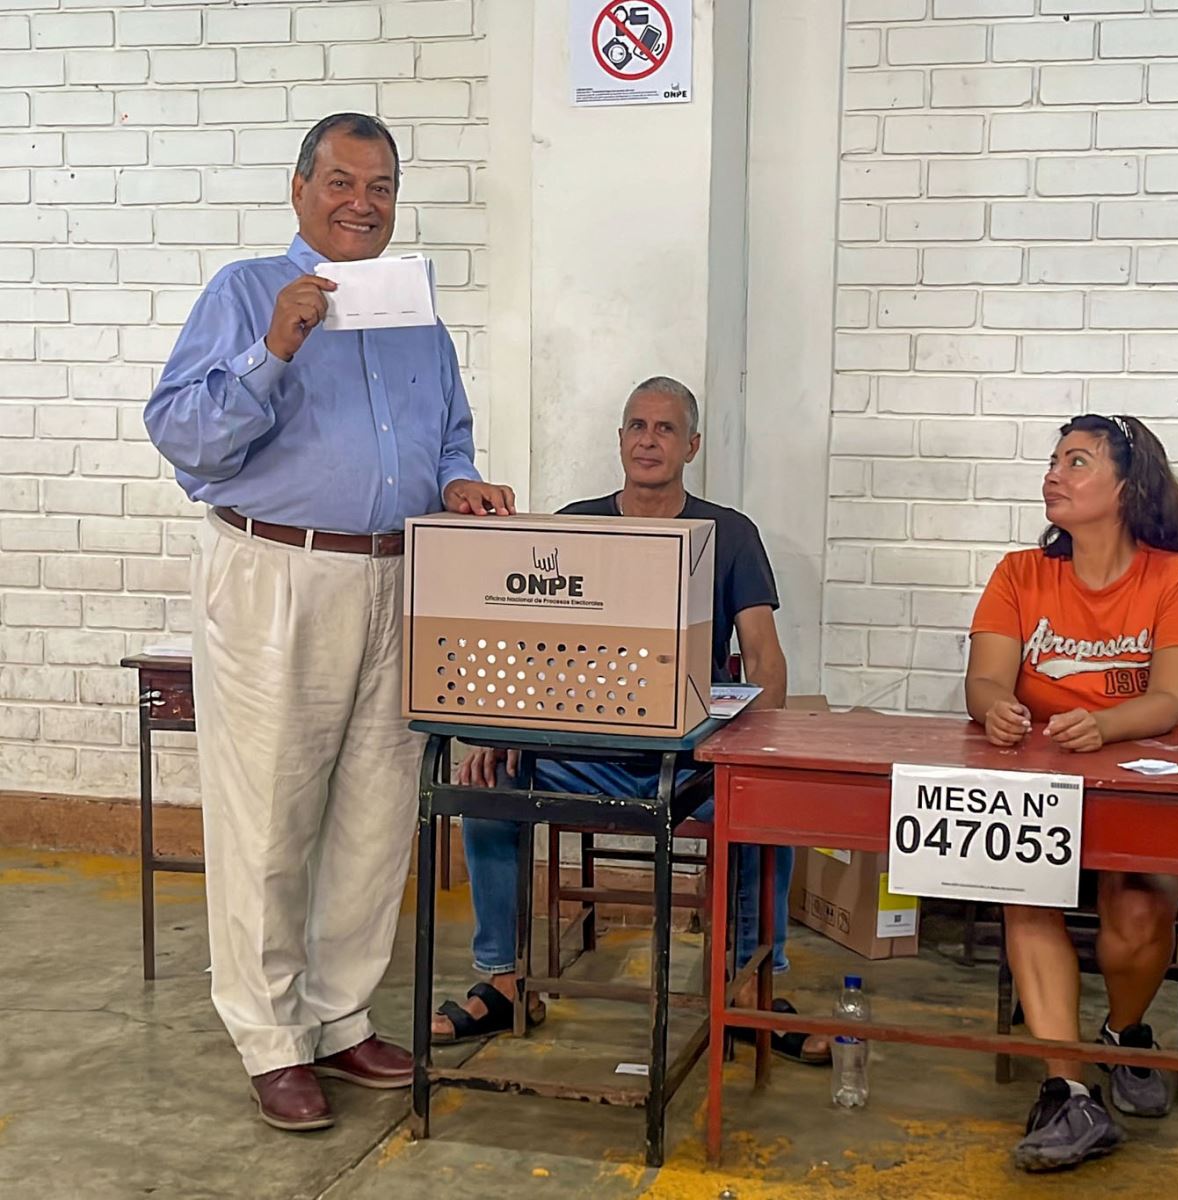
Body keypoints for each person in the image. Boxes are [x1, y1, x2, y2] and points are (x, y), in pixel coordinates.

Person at [144, 113, 515, 1132]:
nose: (363, 202)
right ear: (301, 188)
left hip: (398, 578)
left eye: (382, 186)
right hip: (278, 571)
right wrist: (274, 348)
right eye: (343, 181)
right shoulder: (245, 294)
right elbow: (184, 438)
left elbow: (449, 437)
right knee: (268, 815)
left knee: (377, 811)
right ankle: (270, 1041)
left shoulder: (416, 319)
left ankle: (338, 1014)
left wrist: (463, 483)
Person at [433, 377, 826, 1062]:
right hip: (582, 753)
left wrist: (753, 750)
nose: (649, 440)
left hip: (690, 764)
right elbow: (526, 647)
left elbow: (763, 656)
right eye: (637, 426)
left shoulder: (727, 533)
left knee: (770, 810)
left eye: (666, 429)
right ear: (620, 441)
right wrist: (497, 735)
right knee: (486, 792)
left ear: (692, 445)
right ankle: (503, 982)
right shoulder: (575, 526)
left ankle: (753, 990)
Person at [963, 414, 1178, 1172]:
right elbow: (984, 678)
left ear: (1126, 488)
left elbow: (1171, 696)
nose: (1054, 475)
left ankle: (1123, 1033)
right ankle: (1069, 1092)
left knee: (1140, 904)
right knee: (1024, 886)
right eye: (1053, 462)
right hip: (1043, 782)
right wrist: (995, 707)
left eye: (1075, 463)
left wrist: (1103, 725)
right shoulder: (1021, 572)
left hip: (1140, 781)